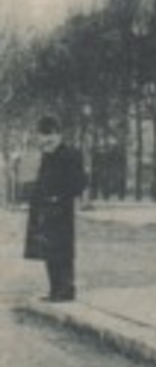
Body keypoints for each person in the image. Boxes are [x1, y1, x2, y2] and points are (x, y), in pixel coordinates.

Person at [23, 116, 86, 302]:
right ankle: (54, 289)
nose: (46, 140)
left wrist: (60, 197)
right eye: (43, 135)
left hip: (61, 211)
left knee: (62, 251)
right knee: (48, 251)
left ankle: (66, 289)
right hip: (46, 211)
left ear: (59, 135)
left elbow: (80, 182)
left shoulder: (71, 155)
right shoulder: (47, 156)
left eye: (50, 135)